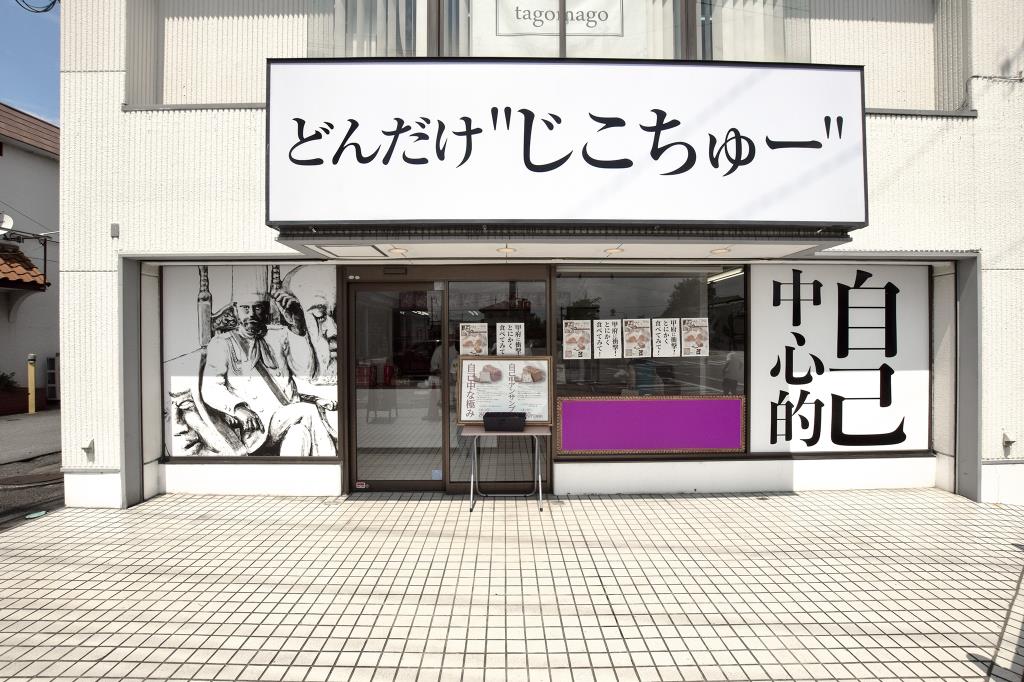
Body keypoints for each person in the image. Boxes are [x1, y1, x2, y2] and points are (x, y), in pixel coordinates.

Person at [201, 268, 336, 457]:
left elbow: (305, 370)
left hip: (289, 414)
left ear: (265, 310)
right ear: (236, 310)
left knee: (299, 434)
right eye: (245, 308)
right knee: (309, 411)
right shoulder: (222, 343)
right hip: (258, 424)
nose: (251, 314)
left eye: (257, 308)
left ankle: (295, 475)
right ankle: (331, 463)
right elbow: (210, 388)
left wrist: (297, 327)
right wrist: (238, 408)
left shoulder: (279, 334)